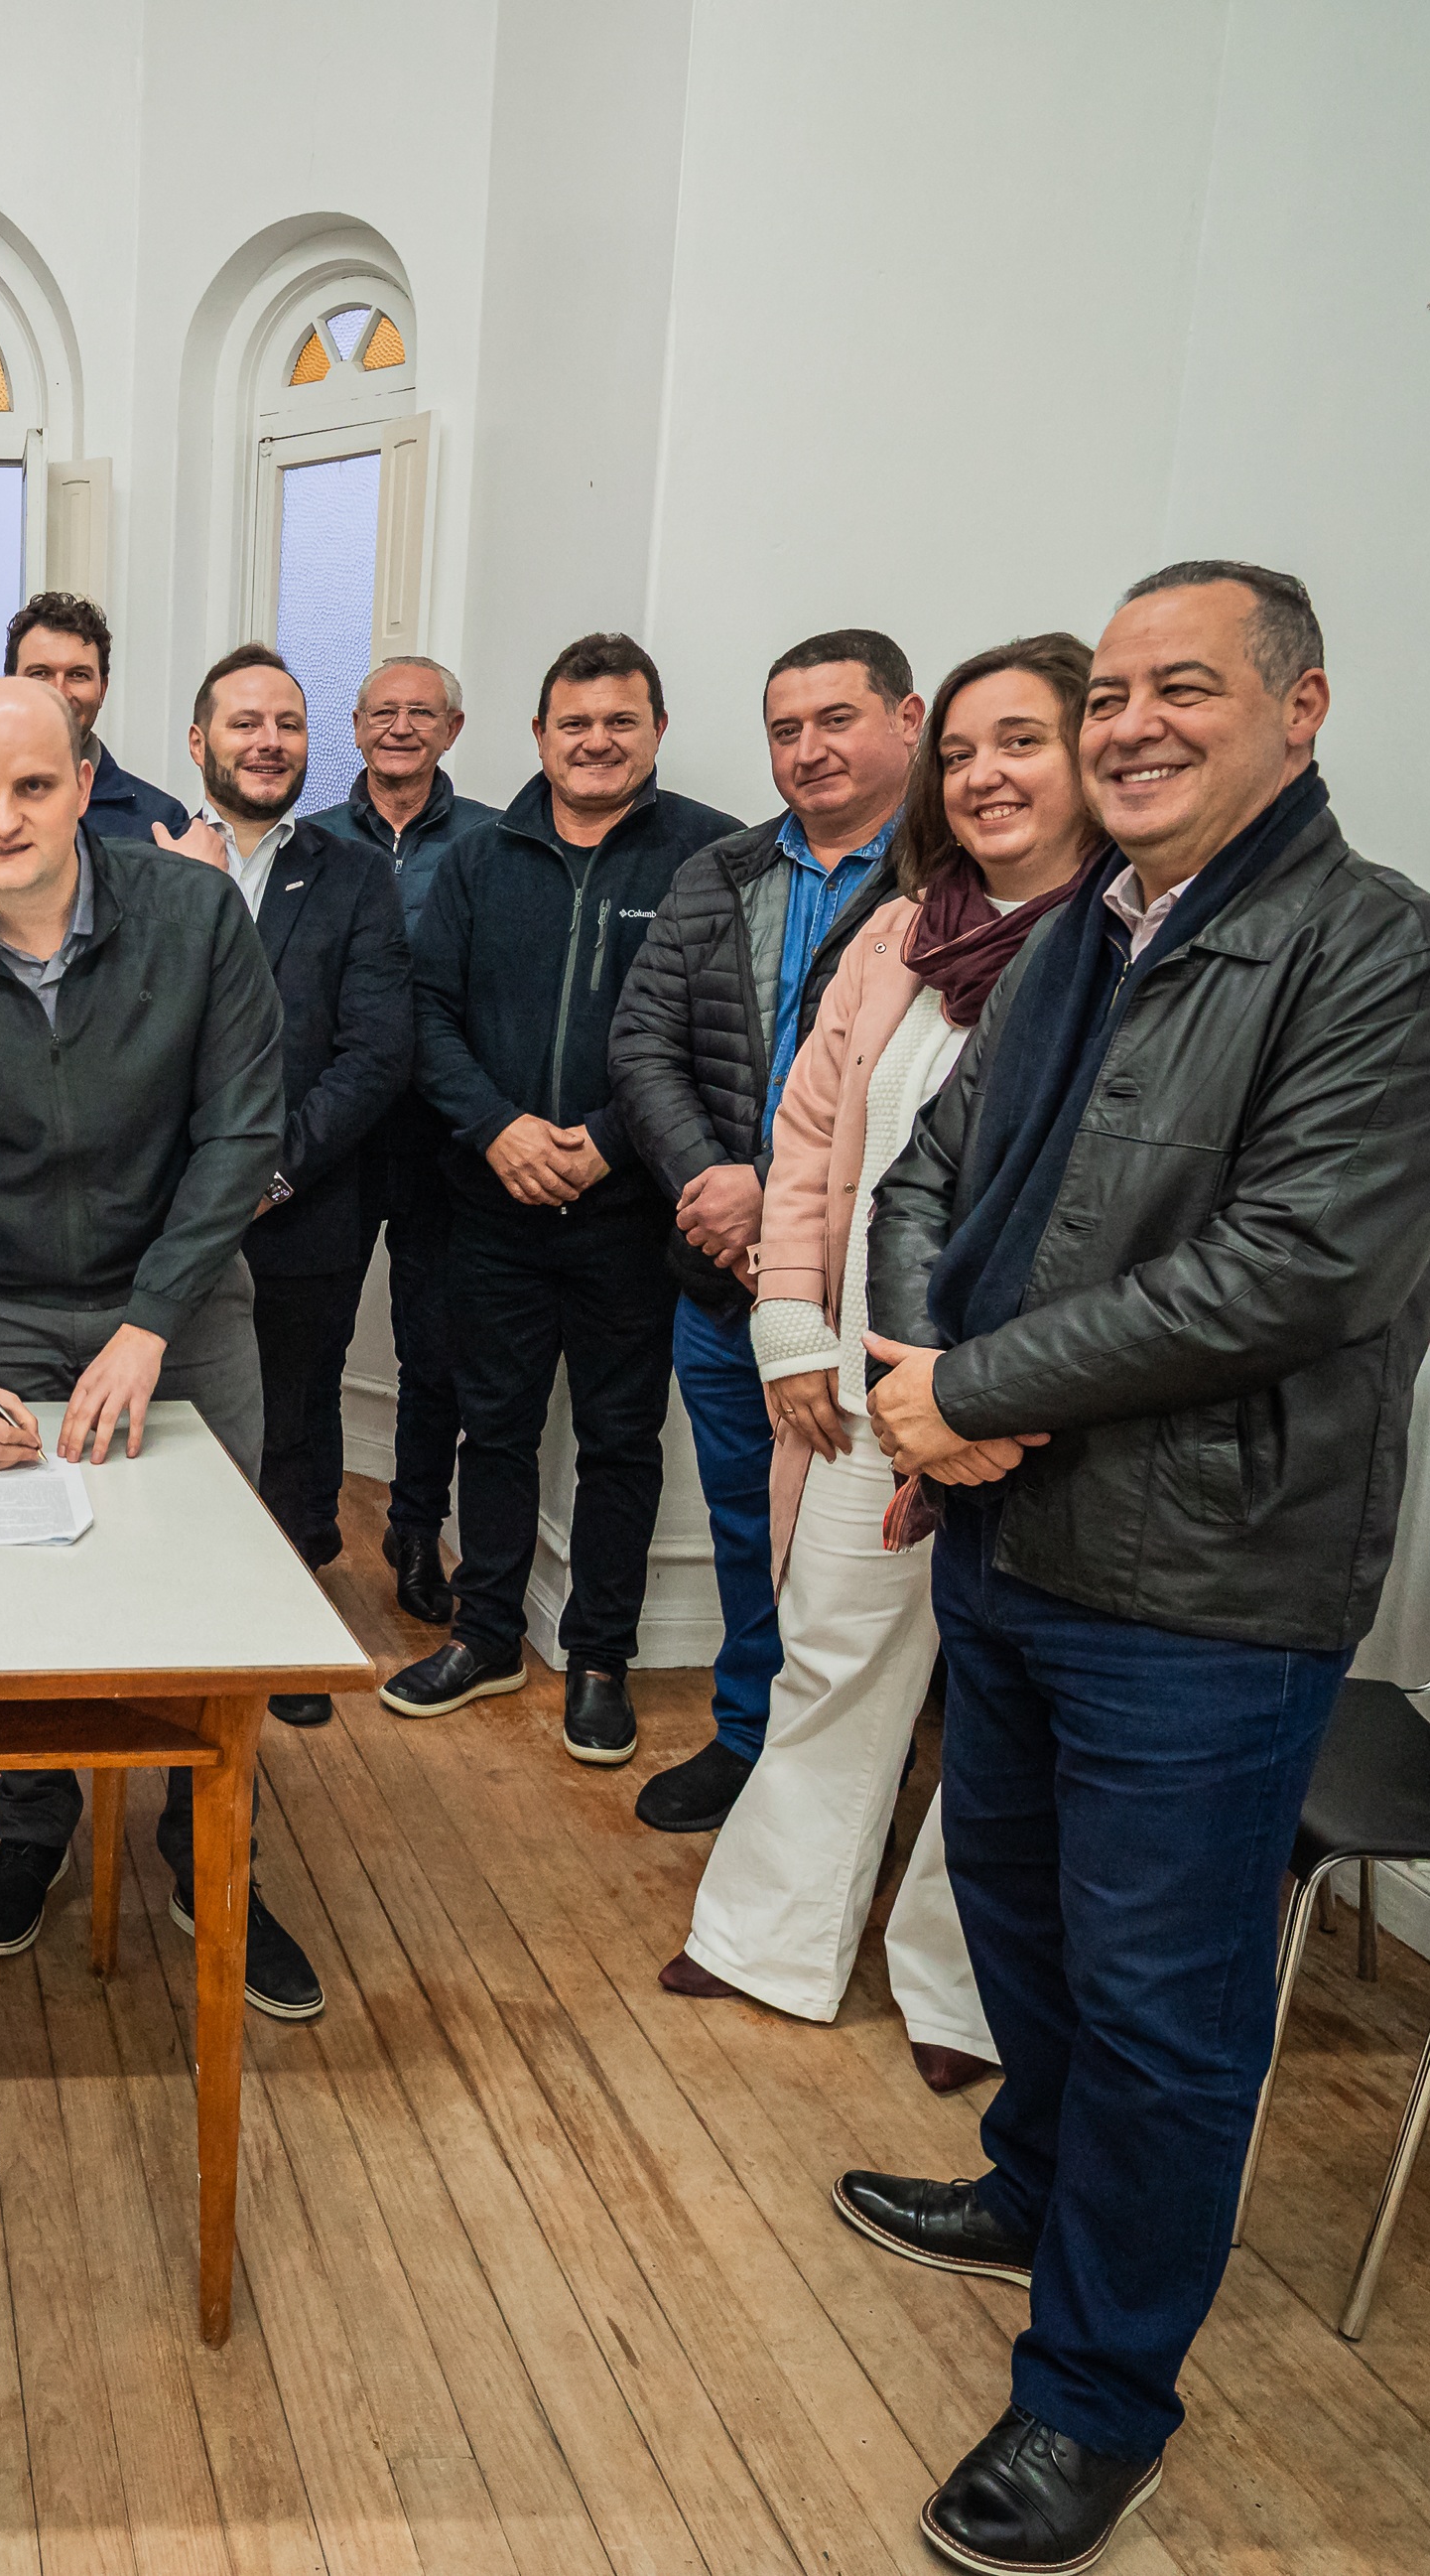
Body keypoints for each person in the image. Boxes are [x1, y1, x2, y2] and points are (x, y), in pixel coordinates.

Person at [841, 564, 1430, 2575]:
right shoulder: (1081, 936)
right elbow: (930, 1172)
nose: (1129, 724)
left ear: (1302, 710)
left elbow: (1297, 1269)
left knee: (1161, 2009)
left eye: (1182, 689)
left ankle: (1096, 2397)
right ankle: (1034, 2191)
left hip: (1207, 1587)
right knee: (1021, 1922)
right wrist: (921, 1390)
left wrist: (973, 1389)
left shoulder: (1399, 962)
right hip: (1014, 1544)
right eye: (1110, 690)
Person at [0, 673, 325, 2022]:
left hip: (179, 1297)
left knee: (211, 1595)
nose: (4, 817)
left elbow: (241, 1133)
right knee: (20, 1598)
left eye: (32, 785)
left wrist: (150, 1320)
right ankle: (35, 1823)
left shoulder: (197, 918)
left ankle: (205, 1844)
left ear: (84, 785)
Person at [664, 635, 1105, 2094]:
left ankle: (962, 1992)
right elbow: (806, 1143)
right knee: (833, 1654)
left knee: (1002, 1715)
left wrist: (994, 1394)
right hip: (859, 1383)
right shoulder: (903, 933)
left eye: (1020, 742)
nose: (985, 775)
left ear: (1091, 753)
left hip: (1033, 1409)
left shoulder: (1127, 947)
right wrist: (795, 1327)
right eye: (966, 752)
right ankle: (770, 1935)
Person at [380, 635, 744, 1761]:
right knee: (492, 1425)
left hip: (629, 1214)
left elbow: (714, 1037)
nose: (595, 742)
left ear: (658, 730)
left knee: (620, 1439)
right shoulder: (480, 856)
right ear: (538, 735)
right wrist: (496, 1128)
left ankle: (599, 1659)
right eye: (573, 723)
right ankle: (487, 1634)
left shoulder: (710, 859)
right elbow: (425, 1013)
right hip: (491, 1201)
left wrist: (610, 1143)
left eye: (619, 721)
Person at [607, 631, 925, 1833]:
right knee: (748, 1520)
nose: (808, 749)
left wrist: (778, 1192)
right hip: (722, 1275)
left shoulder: (950, 881)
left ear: (908, 720)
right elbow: (643, 1041)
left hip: (876, 1290)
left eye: (836, 720)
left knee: (860, 1551)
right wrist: (714, 1181)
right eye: (786, 729)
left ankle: (850, 1775)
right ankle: (749, 1735)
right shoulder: (722, 871)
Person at [163, 646, 409, 1723]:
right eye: (246, 722)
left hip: (300, 1207)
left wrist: (268, 1174)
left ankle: (284, 1633)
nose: (269, 742)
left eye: (289, 724)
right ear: (198, 741)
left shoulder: (354, 875)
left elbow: (376, 1052)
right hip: (160, 1213)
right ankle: (178, 1625)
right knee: (170, 1423)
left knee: (295, 1418)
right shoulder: (139, 862)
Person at [334, 656, 487, 1628]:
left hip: (447, 1136)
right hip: (338, 1136)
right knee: (309, 1344)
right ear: (356, 726)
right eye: (383, 712)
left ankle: (416, 1528)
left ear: (452, 729)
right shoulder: (313, 841)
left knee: (437, 1352)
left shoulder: (493, 843)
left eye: (421, 713)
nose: (401, 727)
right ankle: (301, 1526)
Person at [0, 593, 192, 898]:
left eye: (78, 675)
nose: (59, 692)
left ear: (102, 689)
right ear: (10, 682)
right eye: (40, 674)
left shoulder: (160, 819)